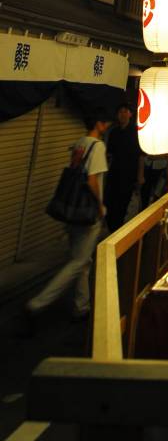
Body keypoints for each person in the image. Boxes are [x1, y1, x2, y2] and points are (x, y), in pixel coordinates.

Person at [22, 112, 110, 331]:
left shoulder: (80, 143)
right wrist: (100, 208)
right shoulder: (97, 146)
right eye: (105, 120)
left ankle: (82, 307)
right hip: (86, 212)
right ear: (98, 123)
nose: (107, 124)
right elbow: (92, 180)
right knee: (77, 262)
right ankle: (38, 303)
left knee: (81, 260)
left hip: (71, 209)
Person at [105, 102, 144, 232]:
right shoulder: (114, 132)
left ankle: (117, 235)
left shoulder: (135, 132)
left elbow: (140, 156)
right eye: (120, 111)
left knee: (122, 206)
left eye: (125, 111)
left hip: (129, 175)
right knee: (109, 205)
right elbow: (109, 155)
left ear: (131, 114)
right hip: (114, 174)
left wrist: (140, 176)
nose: (123, 114)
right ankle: (112, 231)